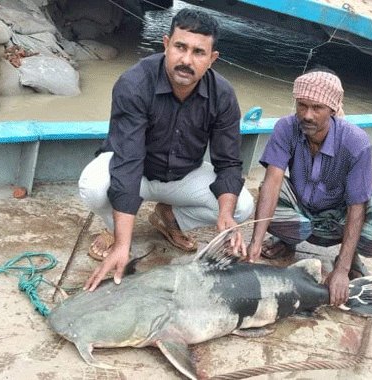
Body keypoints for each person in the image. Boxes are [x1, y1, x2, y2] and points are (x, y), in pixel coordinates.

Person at [79, 8, 254, 291]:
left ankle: (169, 217)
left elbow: (228, 162)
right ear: (165, 44)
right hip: (138, 173)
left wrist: (225, 216)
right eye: (180, 47)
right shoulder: (134, 83)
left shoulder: (223, 95)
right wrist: (125, 245)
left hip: (183, 175)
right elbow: (128, 162)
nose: (186, 60)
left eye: (199, 52)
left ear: (212, 59)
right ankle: (114, 230)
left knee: (241, 206)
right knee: (93, 185)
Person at [246, 70, 372, 306]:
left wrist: (342, 271)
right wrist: (255, 242)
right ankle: (287, 240)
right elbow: (273, 182)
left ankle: (350, 259)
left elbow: (356, 206)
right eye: (302, 106)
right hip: (303, 208)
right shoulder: (286, 127)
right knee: (267, 188)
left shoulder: (356, 142)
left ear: (333, 109)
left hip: (338, 218)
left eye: (317, 108)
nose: (307, 115)